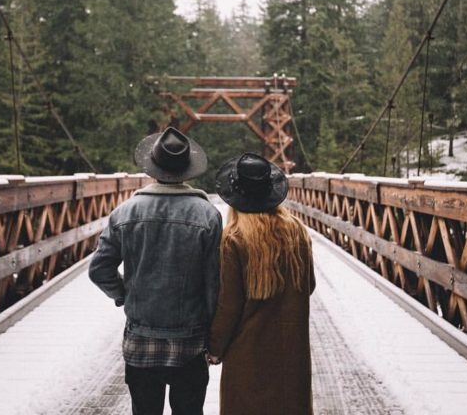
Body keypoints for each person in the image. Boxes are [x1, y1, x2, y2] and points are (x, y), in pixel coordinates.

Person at [89, 127, 222, 415]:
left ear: (153, 168)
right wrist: (214, 336)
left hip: (141, 338)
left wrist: (124, 293)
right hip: (189, 340)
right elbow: (213, 283)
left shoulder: (125, 212)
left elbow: (99, 269)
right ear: (188, 170)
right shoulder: (208, 215)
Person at [207, 153, 315, 415]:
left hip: (248, 357)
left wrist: (214, 348)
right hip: (292, 353)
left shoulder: (234, 238)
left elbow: (229, 306)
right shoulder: (298, 232)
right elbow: (308, 285)